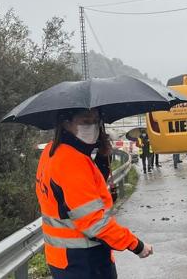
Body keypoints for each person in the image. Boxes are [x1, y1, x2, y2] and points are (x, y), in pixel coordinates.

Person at [35, 108, 153, 279]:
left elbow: (67, 199)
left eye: (96, 121)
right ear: (66, 123)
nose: (92, 127)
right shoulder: (72, 162)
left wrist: (101, 162)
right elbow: (95, 223)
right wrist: (136, 245)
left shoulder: (52, 151)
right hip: (84, 261)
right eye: (85, 121)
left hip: (61, 259)